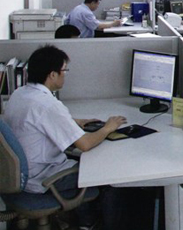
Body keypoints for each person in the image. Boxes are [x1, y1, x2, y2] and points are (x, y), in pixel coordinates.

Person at [3, 45, 126, 229]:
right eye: (64, 70)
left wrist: (72, 122)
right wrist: (108, 128)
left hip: (16, 174)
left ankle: (81, 220)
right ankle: (89, 224)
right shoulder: (48, 105)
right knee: (108, 176)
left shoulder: (19, 94)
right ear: (53, 75)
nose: (65, 75)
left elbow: (35, 121)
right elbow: (85, 144)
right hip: (42, 178)